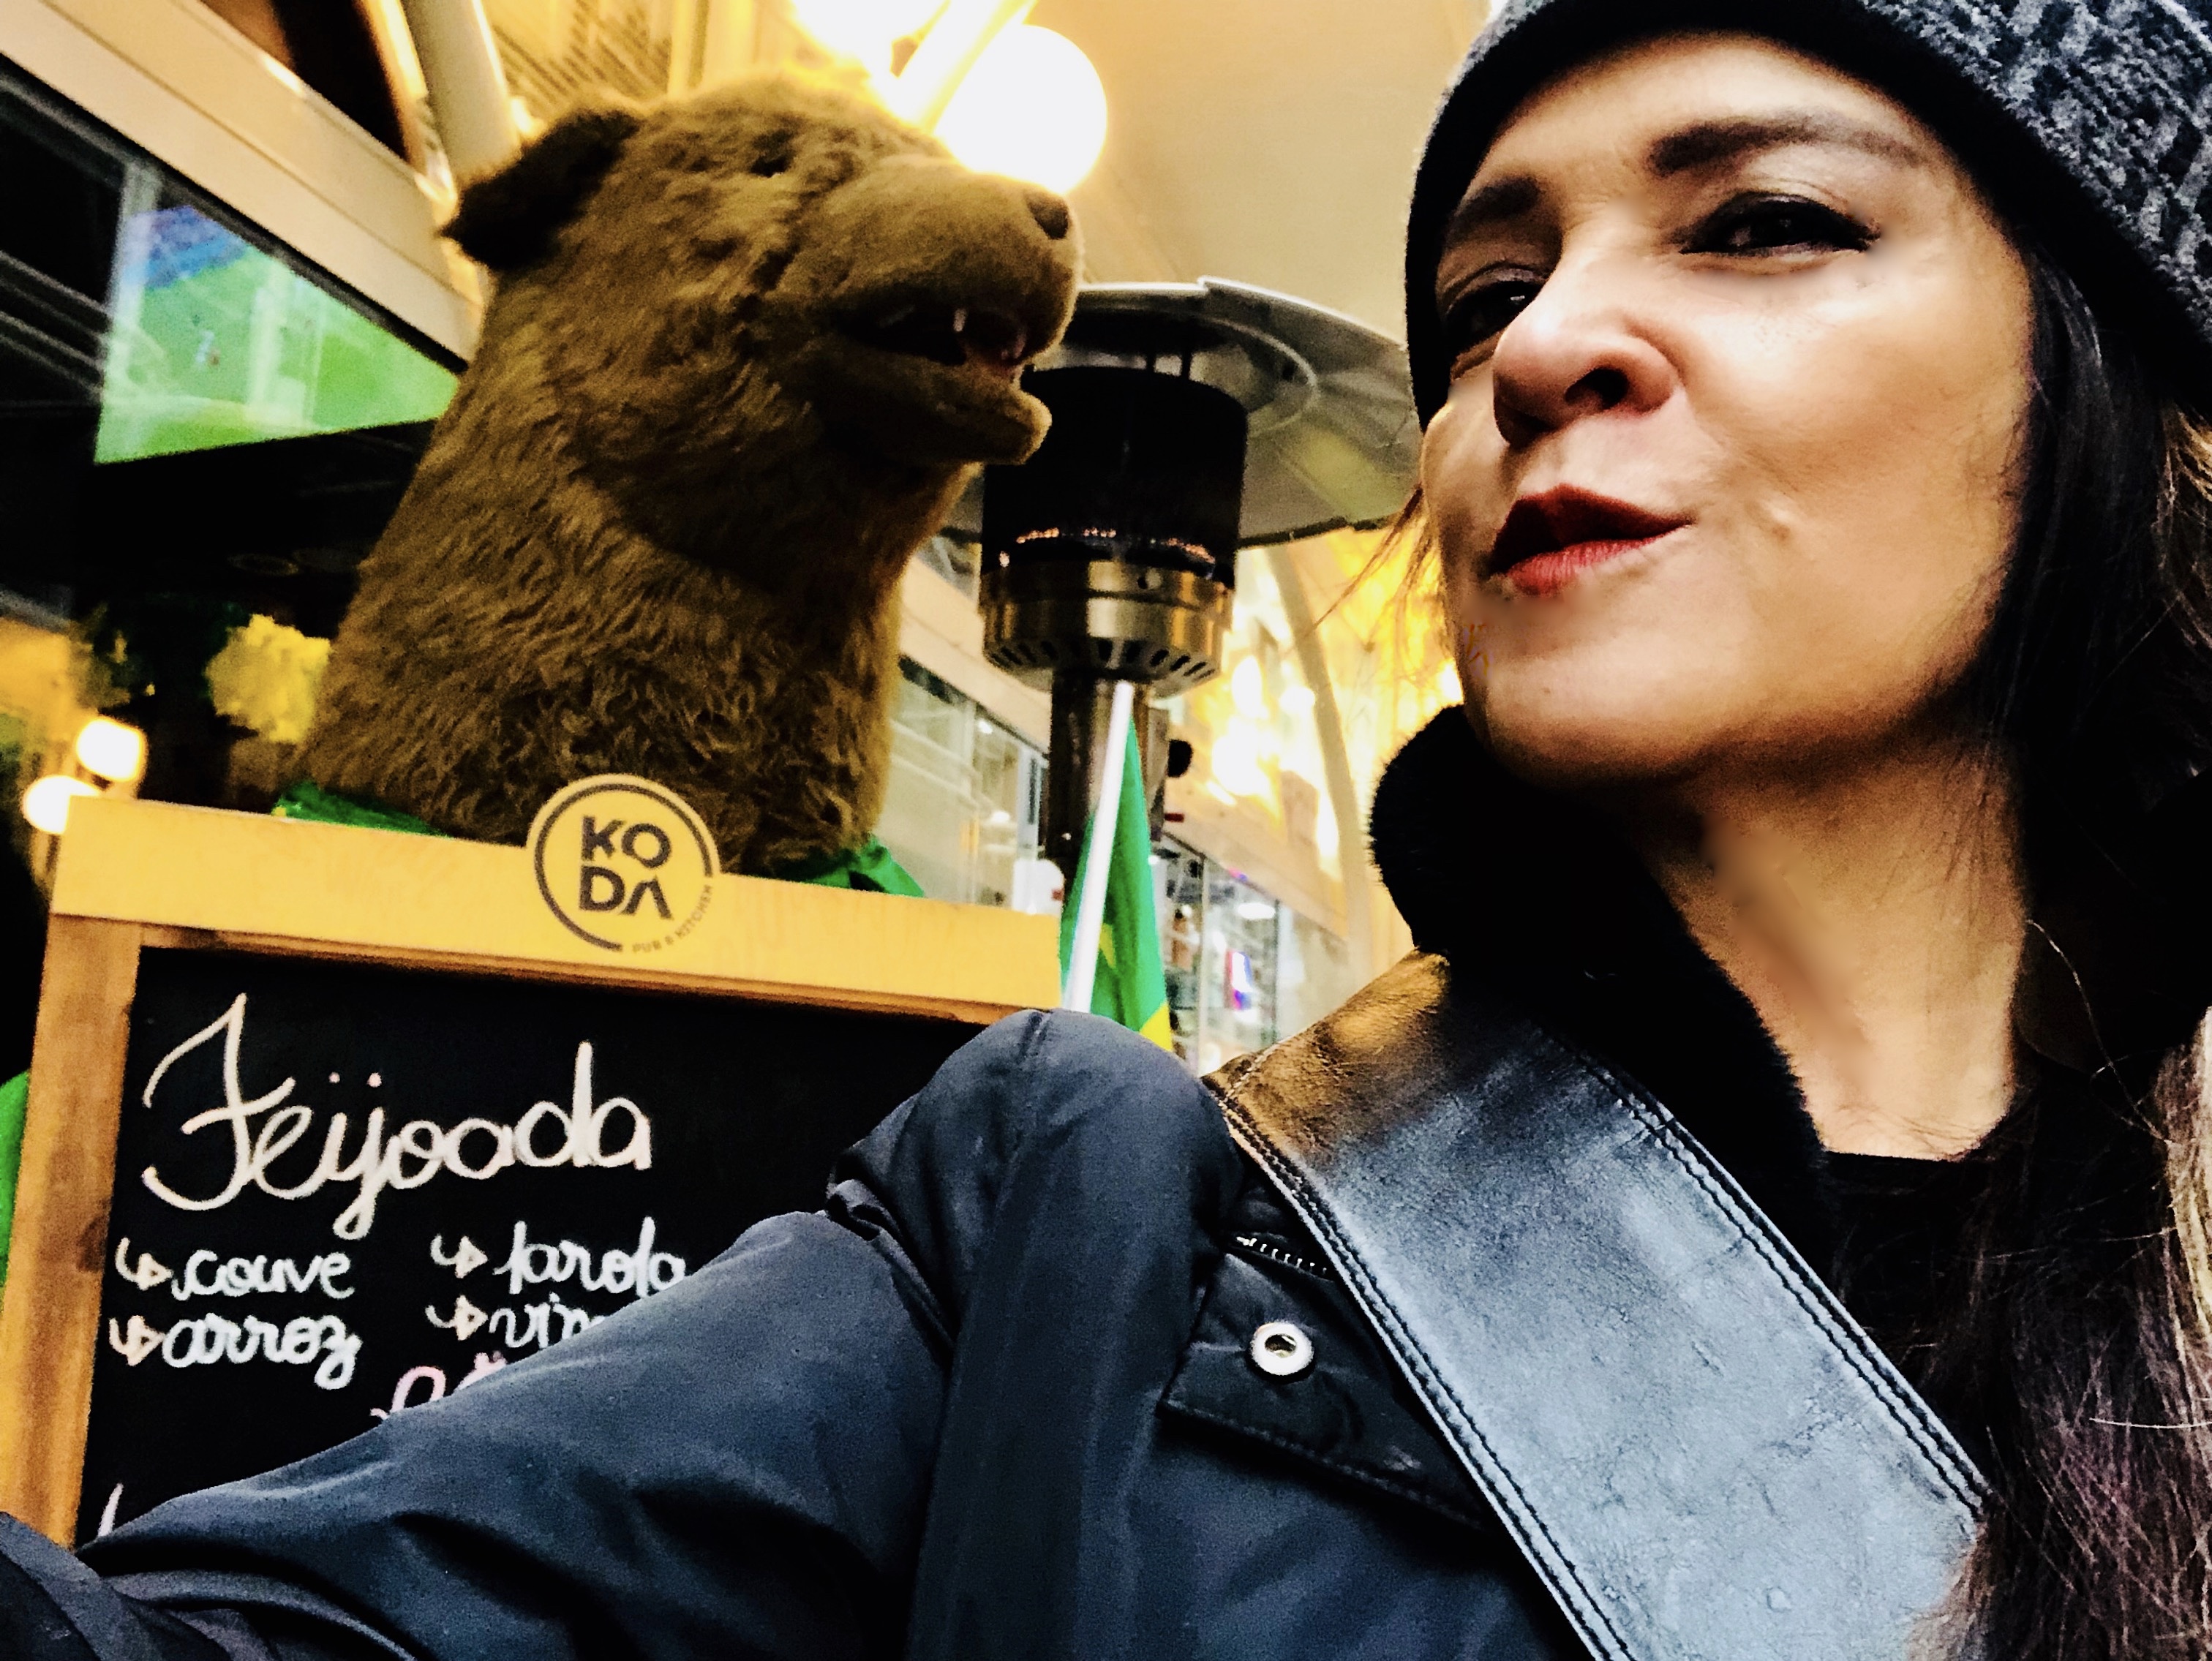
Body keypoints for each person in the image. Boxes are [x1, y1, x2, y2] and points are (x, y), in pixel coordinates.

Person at [9, 3, 2212, 1657]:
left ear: (2138, 389)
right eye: (1483, 299)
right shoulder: (1069, 1226)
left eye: (1764, 222)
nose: (1546, 349)